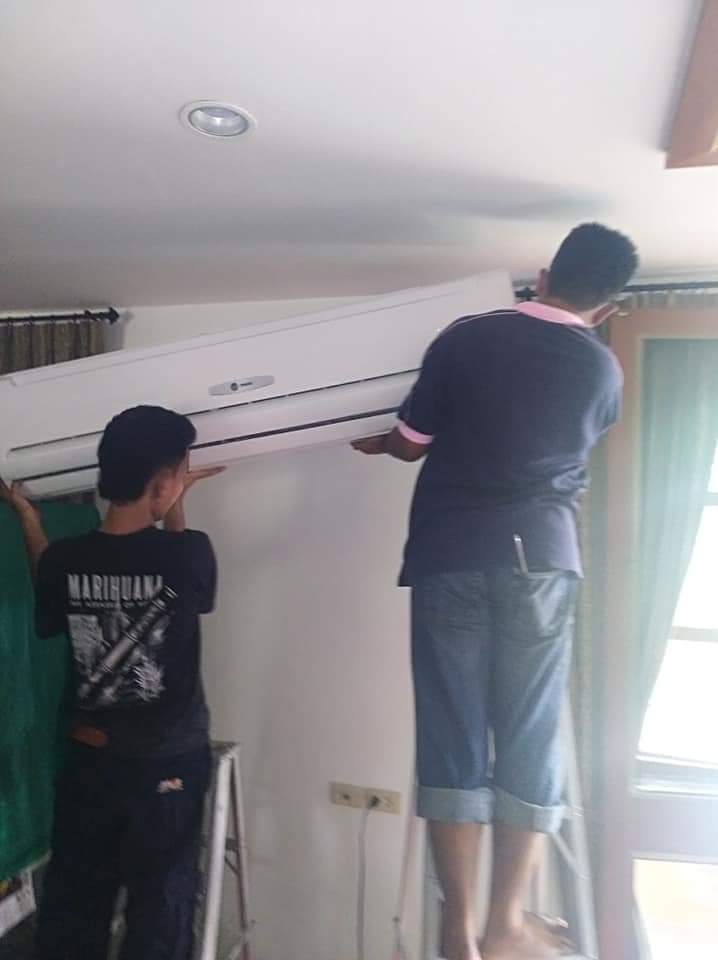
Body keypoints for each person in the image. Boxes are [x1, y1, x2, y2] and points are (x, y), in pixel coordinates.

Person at [353, 223, 639, 960]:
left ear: (543, 275)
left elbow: (410, 442)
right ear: (607, 307)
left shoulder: (468, 337)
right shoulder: (602, 370)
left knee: (452, 731)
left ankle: (457, 927)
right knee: (530, 735)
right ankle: (507, 922)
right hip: (542, 559)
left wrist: (382, 441)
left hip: (453, 554)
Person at [1, 405, 224, 960]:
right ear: (163, 484)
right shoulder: (190, 552)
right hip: (167, 766)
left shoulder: (67, 559)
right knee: (161, 911)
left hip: (89, 763)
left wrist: (27, 517)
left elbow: (49, 587)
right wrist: (177, 505)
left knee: (74, 908)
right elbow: (187, 591)